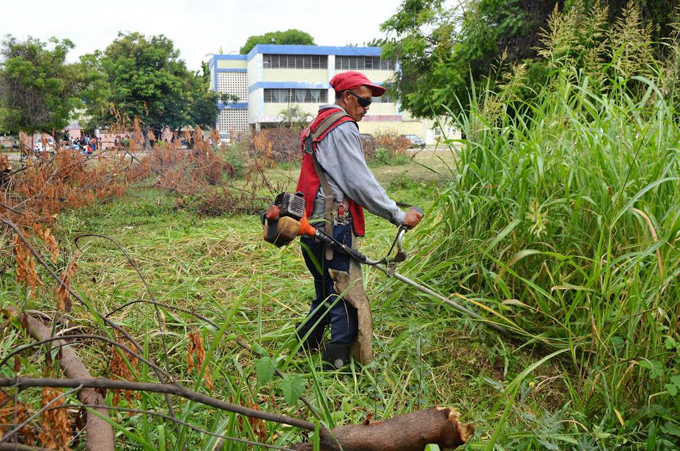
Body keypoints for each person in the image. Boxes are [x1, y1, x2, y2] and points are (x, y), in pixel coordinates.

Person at [295, 71, 423, 369]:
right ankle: (335, 369)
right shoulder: (342, 127)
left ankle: (303, 349)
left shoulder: (319, 124)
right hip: (331, 227)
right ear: (347, 97)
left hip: (310, 223)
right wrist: (398, 215)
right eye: (364, 101)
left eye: (371, 103)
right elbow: (359, 183)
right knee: (345, 300)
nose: (367, 108)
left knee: (325, 291)